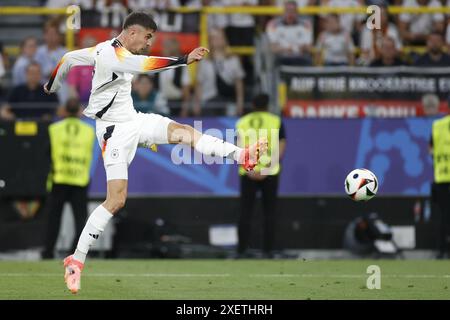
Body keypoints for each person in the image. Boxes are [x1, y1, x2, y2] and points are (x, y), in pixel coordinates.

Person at [44, 11, 268, 294]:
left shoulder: (100, 50)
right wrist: (184, 59)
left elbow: (68, 58)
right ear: (132, 32)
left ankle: (242, 156)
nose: (148, 43)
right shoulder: (114, 54)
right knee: (116, 200)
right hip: (112, 132)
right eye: (147, 37)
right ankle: (76, 261)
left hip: (134, 120)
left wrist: (52, 84)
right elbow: (148, 65)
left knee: (183, 132)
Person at [42, 98, 95, 259]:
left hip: (59, 178)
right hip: (80, 180)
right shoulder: (89, 131)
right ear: (80, 111)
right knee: (80, 221)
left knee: (53, 219)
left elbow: (47, 154)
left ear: (63, 111)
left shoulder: (54, 129)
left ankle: (48, 252)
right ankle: (75, 253)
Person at [236, 93, 286, 259]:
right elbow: (281, 148)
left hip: (247, 173)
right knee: (269, 212)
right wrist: (265, 170)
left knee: (245, 212)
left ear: (252, 104)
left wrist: (251, 171)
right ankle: (268, 250)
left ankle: (242, 250)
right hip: (270, 172)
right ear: (268, 105)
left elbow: (238, 149)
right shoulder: (276, 121)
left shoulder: (242, 122)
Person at [430, 107, 450, 259]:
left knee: (443, 216)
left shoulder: (438, 125)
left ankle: (441, 250)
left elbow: (430, 149)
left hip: (441, 177)